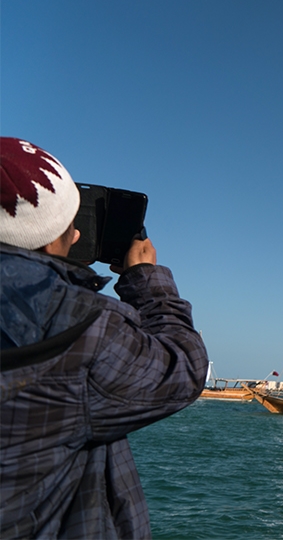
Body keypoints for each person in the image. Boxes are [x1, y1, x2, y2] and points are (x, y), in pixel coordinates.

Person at [0, 137, 209, 538]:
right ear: (51, 239)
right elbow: (182, 369)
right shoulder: (83, 325)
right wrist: (146, 281)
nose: (77, 236)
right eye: (69, 226)